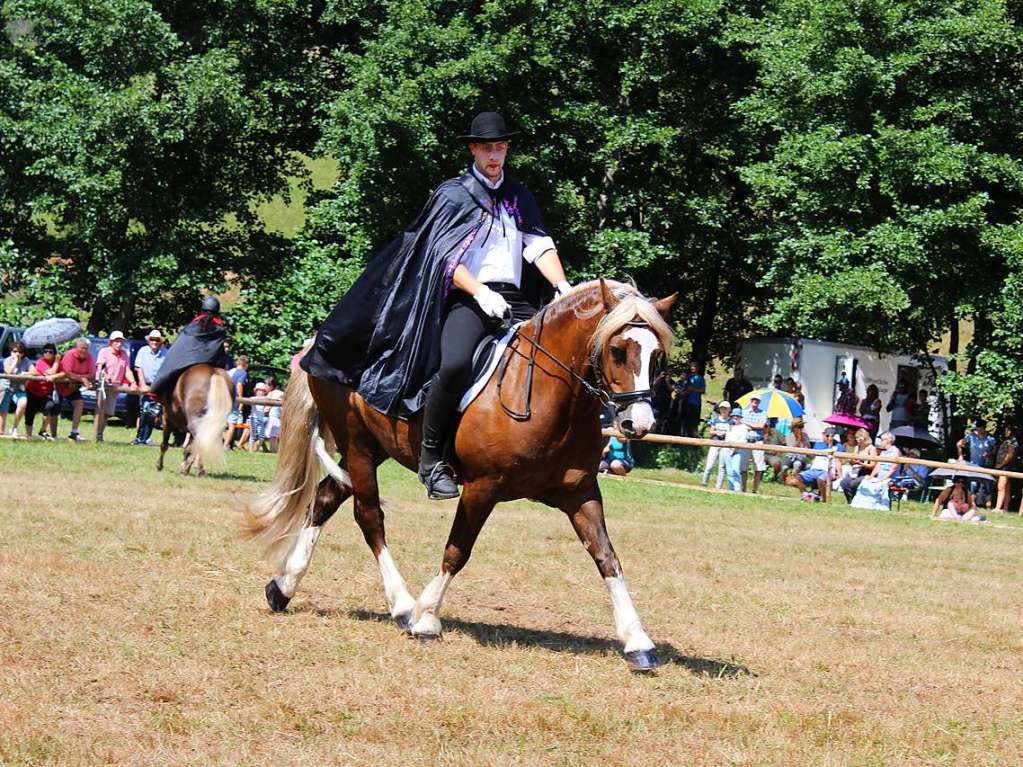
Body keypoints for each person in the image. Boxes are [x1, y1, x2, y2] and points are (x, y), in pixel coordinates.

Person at [301, 112, 571, 500]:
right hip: (465, 296)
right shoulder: (454, 194)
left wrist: (561, 286)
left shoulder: (519, 195)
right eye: (486, 147)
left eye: (500, 147)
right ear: (473, 149)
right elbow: (441, 256)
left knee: (553, 360)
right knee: (456, 362)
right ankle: (432, 460)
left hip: (515, 298)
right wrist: (479, 291)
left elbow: (538, 245)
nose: (494, 154)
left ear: (507, 148)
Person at [93, 331, 139, 442]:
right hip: (103, 385)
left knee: (108, 413)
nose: (119, 344)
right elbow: (99, 366)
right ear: (111, 342)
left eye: (121, 341)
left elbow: (127, 371)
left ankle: (99, 434)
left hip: (115, 387)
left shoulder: (124, 355)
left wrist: (133, 382)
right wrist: (103, 374)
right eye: (116, 341)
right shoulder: (104, 351)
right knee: (101, 411)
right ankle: (97, 435)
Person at [52, 338, 96, 441]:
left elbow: (92, 374)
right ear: (77, 347)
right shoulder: (69, 354)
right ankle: (53, 435)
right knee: (55, 408)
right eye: (82, 348)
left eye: (86, 348)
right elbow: (67, 372)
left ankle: (74, 432)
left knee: (79, 403)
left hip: (74, 387)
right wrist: (82, 378)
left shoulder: (89, 357)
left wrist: (79, 378)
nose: (84, 350)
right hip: (60, 385)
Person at [132, 330, 168, 445]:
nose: (154, 342)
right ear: (149, 341)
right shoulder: (143, 351)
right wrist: (142, 384)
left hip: (158, 385)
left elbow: (166, 371)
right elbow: (139, 368)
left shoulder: (165, 353)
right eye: (152, 339)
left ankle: (146, 437)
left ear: (160, 342)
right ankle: (139, 437)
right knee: (143, 411)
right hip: (145, 384)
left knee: (153, 413)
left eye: (156, 340)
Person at [850, 432, 901, 510]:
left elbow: (893, 469)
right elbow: (878, 466)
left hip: (890, 478)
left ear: (888, 440)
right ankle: (863, 504)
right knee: (866, 481)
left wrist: (883, 479)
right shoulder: (883, 452)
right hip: (880, 477)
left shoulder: (895, 452)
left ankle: (880, 505)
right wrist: (871, 476)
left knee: (879, 484)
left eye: (882, 440)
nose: (881, 442)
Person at [791, 428, 840, 502]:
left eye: (831, 436)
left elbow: (839, 461)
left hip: (827, 470)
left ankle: (824, 499)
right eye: (827, 435)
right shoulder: (818, 444)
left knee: (820, 479)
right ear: (823, 435)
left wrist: (839, 474)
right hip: (815, 468)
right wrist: (807, 450)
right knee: (796, 477)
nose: (829, 438)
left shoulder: (838, 446)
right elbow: (812, 457)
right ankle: (806, 494)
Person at [957, 419, 996, 508]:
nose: (978, 431)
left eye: (980, 429)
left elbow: (995, 449)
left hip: (987, 465)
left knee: (988, 485)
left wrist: (989, 453)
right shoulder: (971, 436)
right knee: (973, 485)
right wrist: (960, 456)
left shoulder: (990, 438)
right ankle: (972, 504)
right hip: (973, 464)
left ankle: (989, 505)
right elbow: (959, 444)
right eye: (977, 429)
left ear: (984, 428)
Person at [25, 343, 60, 439]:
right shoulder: (41, 361)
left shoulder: (56, 363)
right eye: (45, 351)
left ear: (54, 353)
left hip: (46, 392)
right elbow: (50, 372)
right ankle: (29, 435)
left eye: (50, 352)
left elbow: (61, 372)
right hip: (33, 389)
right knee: (30, 412)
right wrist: (57, 361)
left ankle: (42, 430)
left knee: (50, 407)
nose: (47, 353)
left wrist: (57, 362)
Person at [1, 341, 31, 437]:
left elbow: (35, 371)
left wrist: (25, 373)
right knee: (3, 412)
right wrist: (15, 361)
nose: (17, 354)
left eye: (20, 352)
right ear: (11, 351)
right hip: (6, 389)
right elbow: (8, 371)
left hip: (19, 390)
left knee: (23, 403)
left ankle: (14, 428)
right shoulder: (7, 360)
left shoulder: (26, 361)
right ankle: (1, 433)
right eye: (15, 351)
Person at [840, 429, 878, 502]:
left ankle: (855, 500)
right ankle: (850, 501)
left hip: (866, 472)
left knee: (853, 484)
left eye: (859, 438)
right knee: (844, 483)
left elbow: (872, 465)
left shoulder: (872, 449)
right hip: (855, 471)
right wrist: (852, 461)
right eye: (856, 438)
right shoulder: (857, 447)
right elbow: (853, 461)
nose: (857, 440)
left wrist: (861, 463)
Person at [701, 401, 732, 488]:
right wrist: (717, 433)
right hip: (715, 443)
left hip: (725, 445)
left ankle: (718, 487)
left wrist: (726, 434)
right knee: (709, 465)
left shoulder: (731, 421)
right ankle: (704, 483)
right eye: (722, 408)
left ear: (729, 410)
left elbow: (732, 432)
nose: (723, 410)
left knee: (722, 467)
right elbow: (711, 431)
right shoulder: (715, 419)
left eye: (725, 408)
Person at [742, 394, 768, 493]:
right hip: (746, 441)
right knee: (743, 467)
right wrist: (754, 426)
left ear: (759, 402)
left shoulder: (763, 413)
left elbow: (761, 426)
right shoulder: (744, 412)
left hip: (758, 441)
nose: (755, 402)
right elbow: (741, 424)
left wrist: (749, 425)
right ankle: (743, 488)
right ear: (750, 400)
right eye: (753, 400)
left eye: (757, 401)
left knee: (758, 467)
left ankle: (754, 489)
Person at [223, 355, 250, 448]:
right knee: (231, 424)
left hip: (225, 398)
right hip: (234, 400)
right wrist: (241, 399)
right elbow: (239, 384)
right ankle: (225, 445)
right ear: (245, 364)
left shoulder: (231, 371)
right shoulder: (242, 373)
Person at [724, 408, 750, 492]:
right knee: (729, 471)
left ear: (740, 417)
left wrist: (734, 449)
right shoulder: (729, 426)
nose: (735, 417)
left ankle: (737, 489)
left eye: (737, 416)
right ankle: (730, 489)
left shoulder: (743, 427)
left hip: (738, 451)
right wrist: (729, 448)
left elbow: (743, 440)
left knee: (736, 470)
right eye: (734, 416)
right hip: (727, 450)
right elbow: (727, 438)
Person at [993, 424, 1017, 512]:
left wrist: (1000, 465)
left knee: (1001, 487)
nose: (1006, 432)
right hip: (1004, 467)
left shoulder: (1013, 442)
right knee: (1006, 488)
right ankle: (1005, 509)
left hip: (1007, 467)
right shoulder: (1006, 440)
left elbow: (1010, 455)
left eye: (1007, 430)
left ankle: (997, 508)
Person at [680, 360, 706, 438]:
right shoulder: (687, 377)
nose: (692, 368)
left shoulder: (700, 378)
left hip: (695, 402)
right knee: (686, 421)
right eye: (691, 366)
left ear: (698, 368)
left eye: (694, 366)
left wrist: (693, 389)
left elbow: (703, 390)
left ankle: (695, 439)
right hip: (686, 402)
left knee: (694, 422)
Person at [264, 375, 284, 453]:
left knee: (273, 435)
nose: (265, 386)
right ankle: (274, 450)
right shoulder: (273, 393)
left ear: (272, 385)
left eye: (267, 384)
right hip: (275, 417)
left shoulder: (276, 393)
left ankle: (273, 450)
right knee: (274, 435)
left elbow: (268, 407)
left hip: (275, 418)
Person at [247, 380, 270, 452]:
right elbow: (250, 400)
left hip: (261, 419)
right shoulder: (253, 398)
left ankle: (255, 449)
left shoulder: (265, 398)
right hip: (253, 418)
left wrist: (267, 408)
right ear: (256, 391)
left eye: (263, 391)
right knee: (253, 435)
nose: (261, 392)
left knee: (262, 437)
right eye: (259, 390)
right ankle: (251, 450)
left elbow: (267, 405)